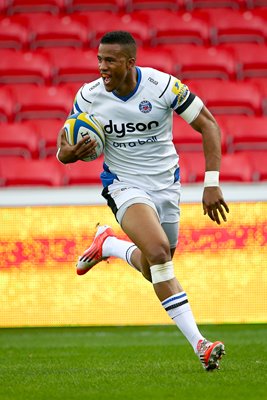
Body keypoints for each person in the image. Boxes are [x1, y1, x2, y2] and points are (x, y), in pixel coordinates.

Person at [57, 31, 229, 371]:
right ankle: (201, 344)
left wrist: (212, 183)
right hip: (124, 184)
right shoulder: (88, 96)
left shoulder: (163, 86)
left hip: (166, 185)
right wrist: (70, 154)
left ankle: (109, 246)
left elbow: (208, 125)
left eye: (110, 61)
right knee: (159, 252)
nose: (102, 67)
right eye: (99, 60)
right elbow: (62, 148)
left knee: (157, 270)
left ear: (130, 63)